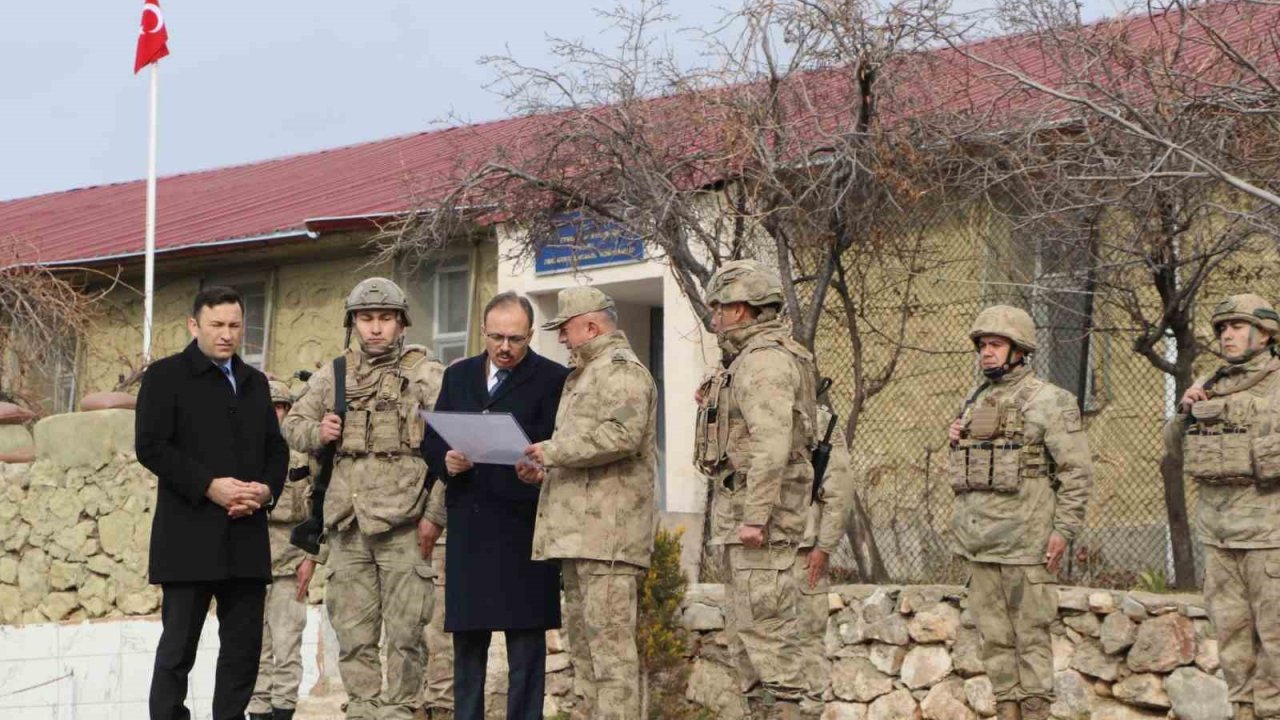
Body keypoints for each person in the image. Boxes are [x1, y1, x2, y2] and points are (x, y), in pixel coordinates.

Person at [281, 277, 445, 720]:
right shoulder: (333, 374)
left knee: (407, 634)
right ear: (353, 323)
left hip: (404, 527)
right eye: (366, 319)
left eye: (385, 319)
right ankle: (364, 711)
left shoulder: (426, 374)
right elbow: (292, 424)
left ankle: (402, 711)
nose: (376, 329)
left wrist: (434, 515)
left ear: (401, 323)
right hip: (347, 527)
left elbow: (453, 451)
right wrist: (318, 432)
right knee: (353, 635)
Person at [136, 285, 289, 720]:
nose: (226, 334)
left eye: (235, 326)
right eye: (217, 325)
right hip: (188, 537)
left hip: (245, 536)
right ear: (194, 325)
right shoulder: (165, 377)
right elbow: (150, 446)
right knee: (177, 649)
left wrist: (264, 491)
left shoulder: (255, 382)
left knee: (243, 652)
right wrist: (209, 485)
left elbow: (275, 450)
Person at [421, 291, 569, 720]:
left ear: (530, 336)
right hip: (470, 524)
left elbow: (562, 447)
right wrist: (445, 461)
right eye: (497, 337)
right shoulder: (459, 375)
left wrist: (541, 471)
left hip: (524, 527)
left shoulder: (553, 379)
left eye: (516, 339)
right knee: (468, 642)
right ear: (483, 332)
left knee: (526, 645)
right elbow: (433, 441)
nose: (505, 348)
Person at [947, 305, 1093, 720]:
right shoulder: (975, 402)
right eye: (981, 346)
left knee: (1030, 640)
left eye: (995, 345)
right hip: (983, 546)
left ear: (1019, 350)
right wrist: (955, 440)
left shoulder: (1051, 401)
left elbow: (1076, 473)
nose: (986, 353)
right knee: (994, 643)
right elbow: (969, 475)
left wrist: (1063, 530)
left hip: (1026, 547)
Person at [693, 260, 824, 719]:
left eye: (721, 309)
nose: (715, 319)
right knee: (746, 636)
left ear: (745, 311)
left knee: (767, 634)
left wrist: (755, 516)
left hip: (758, 525)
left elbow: (771, 445)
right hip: (742, 520)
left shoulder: (765, 361)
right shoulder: (748, 360)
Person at [520, 287, 657, 720]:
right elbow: (584, 453)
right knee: (586, 657)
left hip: (609, 541)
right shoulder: (587, 373)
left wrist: (553, 452)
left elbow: (622, 436)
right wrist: (544, 468)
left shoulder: (620, 372)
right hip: (583, 538)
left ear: (592, 326)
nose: (562, 338)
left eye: (565, 329)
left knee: (611, 660)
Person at [1165, 294, 1280, 720]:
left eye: (1236, 326)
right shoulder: (1212, 385)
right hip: (1220, 538)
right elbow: (1174, 452)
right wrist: (1187, 413)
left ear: (1265, 333)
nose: (1226, 335)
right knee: (1232, 643)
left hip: (1271, 541)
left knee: (1275, 644)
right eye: (1221, 328)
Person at [248, 380, 319, 720]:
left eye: (281, 407)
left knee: (287, 647)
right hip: (250, 564)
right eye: (270, 406)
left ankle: (282, 712)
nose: (275, 413)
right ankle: (257, 712)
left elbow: (317, 511)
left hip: (290, 565)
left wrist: (310, 559)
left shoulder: (303, 456)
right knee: (253, 651)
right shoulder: (244, 451)